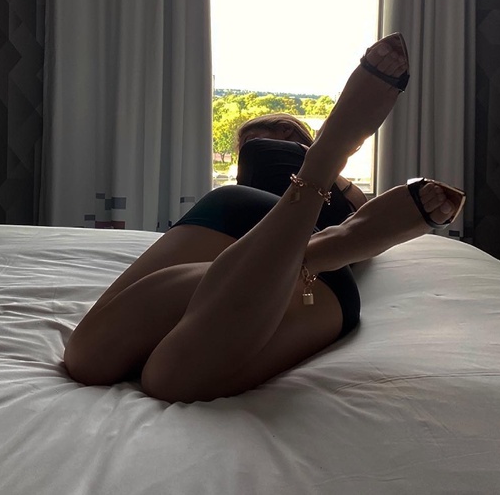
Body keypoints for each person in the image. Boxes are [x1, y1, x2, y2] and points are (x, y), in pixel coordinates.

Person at [63, 33, 465, 403]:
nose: (263, 146)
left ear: (296, 138)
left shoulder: (324, 183)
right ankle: (324, 239)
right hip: (268, 234)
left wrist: (318, 177)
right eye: (253, 143)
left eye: (283, 139)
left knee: (156, 376)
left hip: (273, 233)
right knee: (89, 361)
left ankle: (324, 164)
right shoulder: (268, 178)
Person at [235, 113, 368, 227]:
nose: (247, 161)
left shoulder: (258, 152)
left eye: (249, 140)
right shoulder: (352, 191)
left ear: (285, 129)